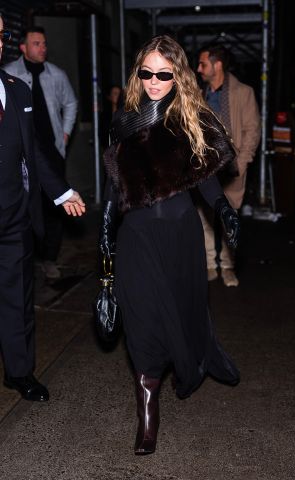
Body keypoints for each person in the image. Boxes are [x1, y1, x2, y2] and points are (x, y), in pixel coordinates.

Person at [101, 35, 240, 455]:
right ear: (137, 73)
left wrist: (224, 209)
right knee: (142, 321)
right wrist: (106, 226)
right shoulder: (125, 119)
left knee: (180, 314)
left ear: (177, 74)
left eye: (164, 73)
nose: (155, 81)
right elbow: (116, 180)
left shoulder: (188, 116)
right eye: (147, 73)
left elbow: (206, 173)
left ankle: (188, 361)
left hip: (180, 234)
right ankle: (147, 414)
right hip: (137, 237)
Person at [0, 14, 85, 402]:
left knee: (18, 301)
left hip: (15, 217)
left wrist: (62, 192)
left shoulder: (15, 90)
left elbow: (33, 151)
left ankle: (19, 372)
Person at [4, 26, 78, 280]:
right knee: (25, 203)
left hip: (51, 151)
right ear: (23, 47)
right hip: (20, 154)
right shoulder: (9, 75)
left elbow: (71, 102)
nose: (43, 47)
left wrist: (65, 133)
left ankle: (49, 258)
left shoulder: (56, 74)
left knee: (54, 206)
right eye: (37, 43)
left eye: (44, 43)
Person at [197, 44, 261, 286]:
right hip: (203, 167)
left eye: (203, 63)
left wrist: (242, 163)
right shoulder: (198, 94)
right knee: (203, 217)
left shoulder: (243, 92)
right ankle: (209, 264)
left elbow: (252, 131)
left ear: (217, 64)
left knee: (228, 217)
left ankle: (228, 266)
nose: (199, 69)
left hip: (230, 168)